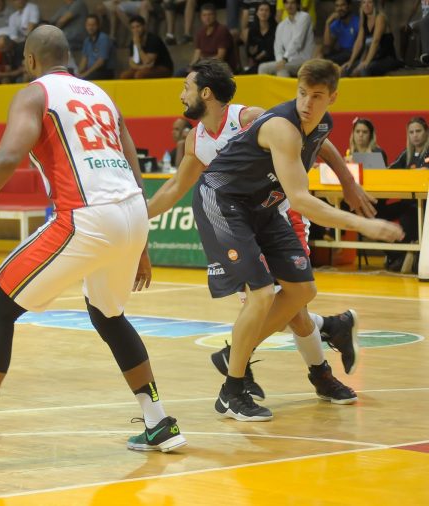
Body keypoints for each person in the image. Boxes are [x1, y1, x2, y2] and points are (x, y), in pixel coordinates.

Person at [0, 25, 187, 469]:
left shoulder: (34, 94)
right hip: (133, 210)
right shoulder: (102, 96)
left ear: (30, 60)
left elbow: (7, 157)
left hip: (85, 215)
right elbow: (130, 162)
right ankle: (159, 422)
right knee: (108, 314)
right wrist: (140, 242)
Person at [190, 59, 403, 421]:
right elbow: (301, 200)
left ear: (332, 98)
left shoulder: (322, 124)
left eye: (316, 96)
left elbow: (324, 149)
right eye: (302, 93)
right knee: (261, 294)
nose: (306, 102)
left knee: (302, 291)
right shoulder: (281, 127)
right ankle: (232, 390)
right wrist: (365, 226)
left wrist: (349, 183)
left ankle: (237, 354)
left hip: (263, 206)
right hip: (224, 202)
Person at [147, 59, 366, 405]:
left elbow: (316, 141)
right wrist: (137, 217)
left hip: (281, 213)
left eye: (186, 87)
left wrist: (348, 182)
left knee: (285, 301)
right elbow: (175, 187)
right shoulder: (196, 139)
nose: (181, 95)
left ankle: (291, 368)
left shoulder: (248, 117)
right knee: (273, 305)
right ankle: (327, 339)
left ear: (206, 93)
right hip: (238, 220)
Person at [379, 117, 429, 271]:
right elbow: (390, 170)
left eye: (418, 131)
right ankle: (399, 254)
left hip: (423, 204)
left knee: (408, 217)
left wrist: (408, 173)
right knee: (375, 213)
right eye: (411, 132)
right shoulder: (406, 154)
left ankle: (407, 255)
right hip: (406, 202)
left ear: (426, 132)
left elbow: (424, 171)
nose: (415, 135)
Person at [341, 0, 401, 77]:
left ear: (374, 4)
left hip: (387, 58)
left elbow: (375, 41)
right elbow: (359, 42)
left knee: (364, 69)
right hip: (374, 58)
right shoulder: (363, 20)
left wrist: (366, 62)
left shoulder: (380, 17)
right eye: (364, 2)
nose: (366, 5)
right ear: (361, 6)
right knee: (346, 69)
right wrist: (350, 61)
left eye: (370, 2)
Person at [258, 0, 313, 77]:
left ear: (297, 5)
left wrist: (284, 59)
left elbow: (297, 42)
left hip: (304, 61)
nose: (289, 6)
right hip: (287, 61)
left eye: (292, 3)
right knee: (262, 67)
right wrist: (280, 61)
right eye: (287, 3)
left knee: (282, 69)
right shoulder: (281, 25)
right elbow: (278, 48)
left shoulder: (304, 17)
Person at [178, 3, 236, 76]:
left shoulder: (222, 30)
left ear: (215, 15)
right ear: (201, 17)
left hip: (220, 67)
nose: (207, 18)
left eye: (210, 15)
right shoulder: (200, 32)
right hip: (204, 66)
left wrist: (203, 64)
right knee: (180, 73)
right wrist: (191, 66)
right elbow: (197, 54)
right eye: (204, 15)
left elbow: (220, 57)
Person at [319, 0, 359, 65]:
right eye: (337, 6)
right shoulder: (336, 24)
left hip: (353, 52)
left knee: (326, 62)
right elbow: (327, 45)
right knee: (319, 52)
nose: (340, 8)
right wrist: (327, 23)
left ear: (349, 7)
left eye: (343, 5)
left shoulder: (357, 21)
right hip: (342, 52)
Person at [78, 15, 115, 80]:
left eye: (93, 25)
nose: (90, 27)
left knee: (86, 79)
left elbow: (101, 62)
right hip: (91, 71)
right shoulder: (87, 40)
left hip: (104, 71)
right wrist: (78, 73)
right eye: (88, 25)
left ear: (98, 26)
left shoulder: (103, 38)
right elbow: (84, 59)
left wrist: (85, 74)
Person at [242, 1, 276, 74]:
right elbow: (250, 51)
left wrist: (262, 54)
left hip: (272, 63)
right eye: (261, 10)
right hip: (257, 64)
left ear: (270, 13)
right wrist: (252, 52)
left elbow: (273, 49)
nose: (264, 13)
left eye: (266, 10)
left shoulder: (275, 29)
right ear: (257, 13)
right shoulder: (252, 30)